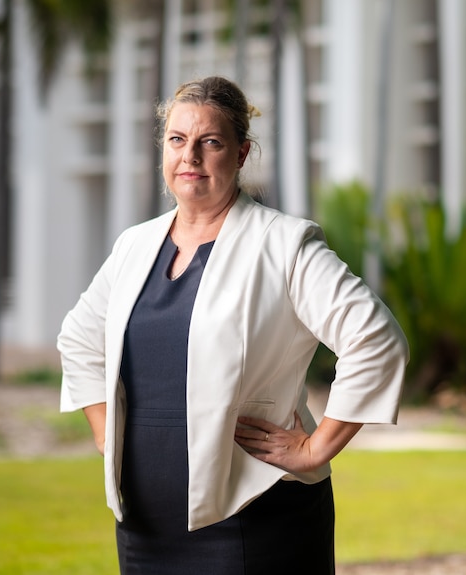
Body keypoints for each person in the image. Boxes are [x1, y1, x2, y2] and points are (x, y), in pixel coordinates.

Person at [57, 75, 408, 574]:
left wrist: (315, 448)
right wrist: (104, 431)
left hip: (254, 513)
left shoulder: (284, 244)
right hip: (145, 524)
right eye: (177, 140)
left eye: (211, 142)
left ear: (241, 155)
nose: (190, 157)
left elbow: (376, 339)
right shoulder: (135, 246)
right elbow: (79, 338)